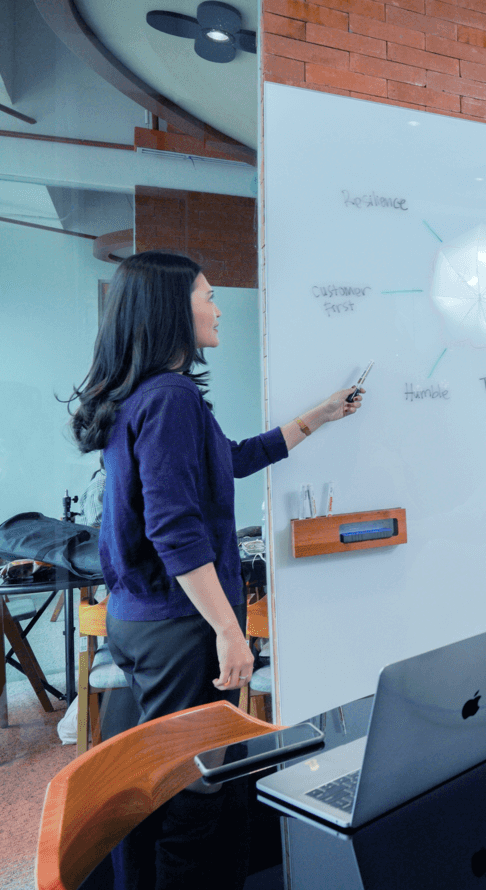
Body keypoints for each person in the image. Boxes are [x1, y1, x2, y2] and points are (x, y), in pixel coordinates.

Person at [68, 251, 364, 888]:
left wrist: (318, 416)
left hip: (143, 622)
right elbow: (173, 528)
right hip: (181, 630)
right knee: (194, 798)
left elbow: (230, 458)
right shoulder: (170, 397)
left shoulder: (145, 396)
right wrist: (230, 630)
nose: (219, 307)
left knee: (161, 783)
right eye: (208, 295)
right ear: (172, 309)